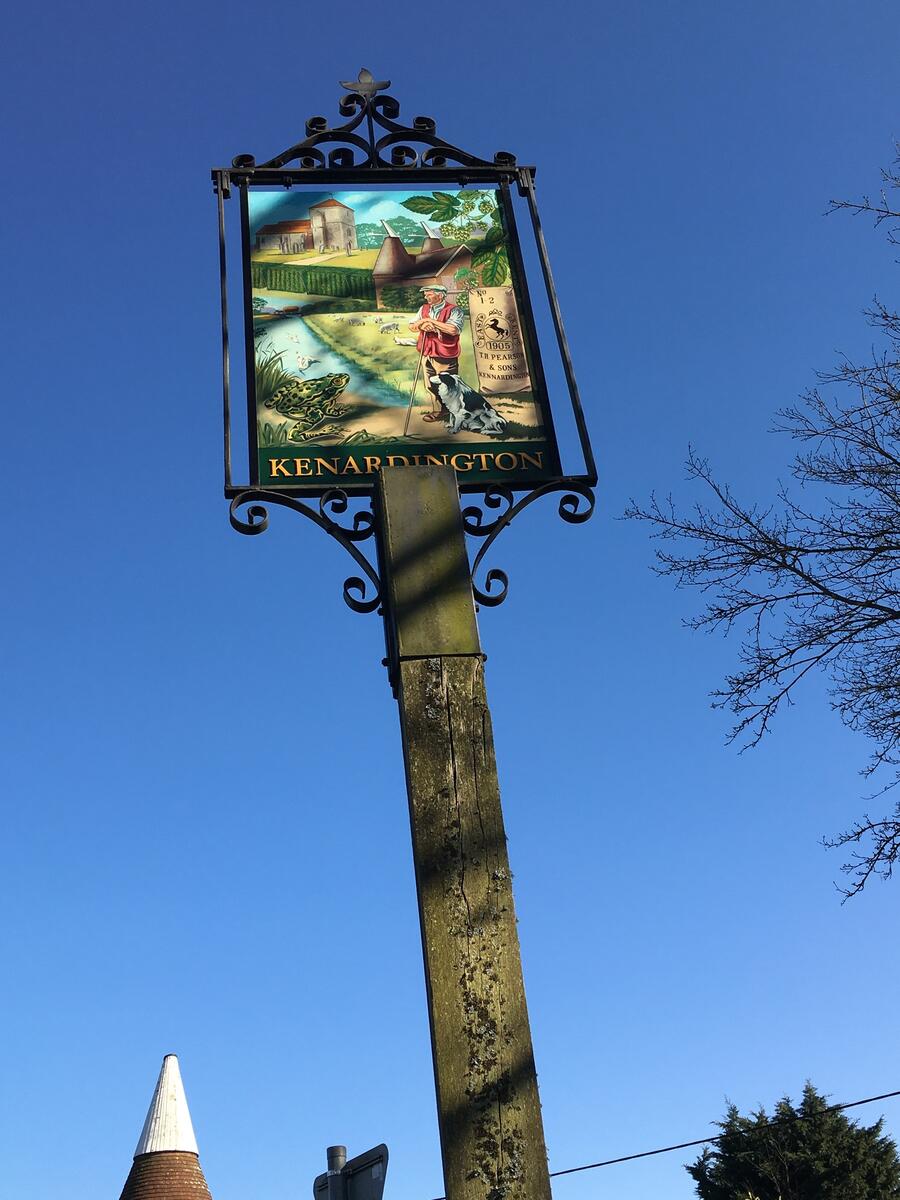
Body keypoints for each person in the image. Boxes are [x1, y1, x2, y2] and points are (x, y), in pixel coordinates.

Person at [409, 284, 466, 422]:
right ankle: (439, 410)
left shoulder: (454, 310)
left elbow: (453, 330)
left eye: (429, 294)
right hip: (426, 351)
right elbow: (412, 326)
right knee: (430, 385)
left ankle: (456, 413)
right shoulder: (424, 308)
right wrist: (422, 324)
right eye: (425, 294)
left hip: (444, 354)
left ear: (440, 295)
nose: (425, 296)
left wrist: (430, 322)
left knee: (448, 386)